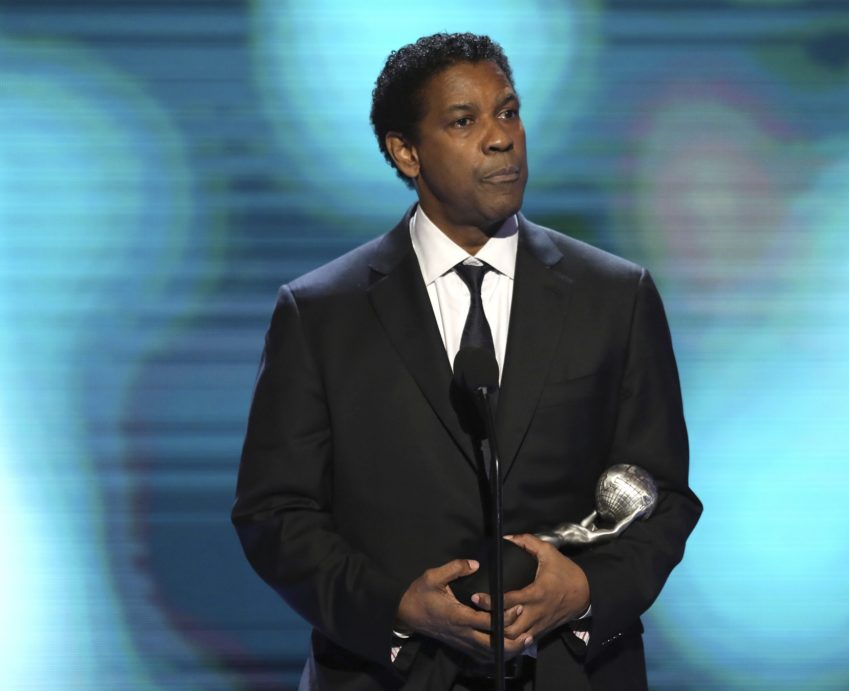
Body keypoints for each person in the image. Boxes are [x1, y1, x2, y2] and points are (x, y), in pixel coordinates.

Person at [232, 32, 702, 691]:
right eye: (464, 120)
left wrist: (585, 588)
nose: (501, 137)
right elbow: (274, 512)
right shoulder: (321, 315)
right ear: (406, 151)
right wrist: (396, 605)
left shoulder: (616, 297)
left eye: (508, 111)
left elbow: (662, 494)